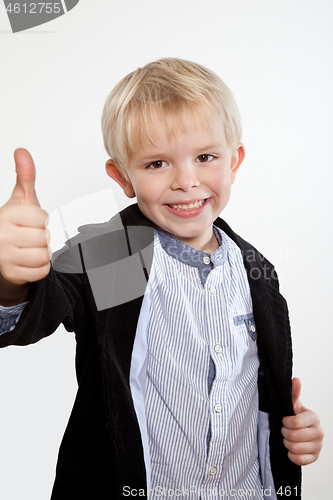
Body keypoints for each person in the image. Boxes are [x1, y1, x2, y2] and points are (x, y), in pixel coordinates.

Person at [0, 58, 323, 499]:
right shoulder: (119, 255)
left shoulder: (256, 271)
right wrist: (11, 277)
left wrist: (293, 432)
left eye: (206, 157)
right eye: (157, 164)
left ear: (235, 160)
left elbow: (258, 393)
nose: (186, 181)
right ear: (123, 177)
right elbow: (33, 313)